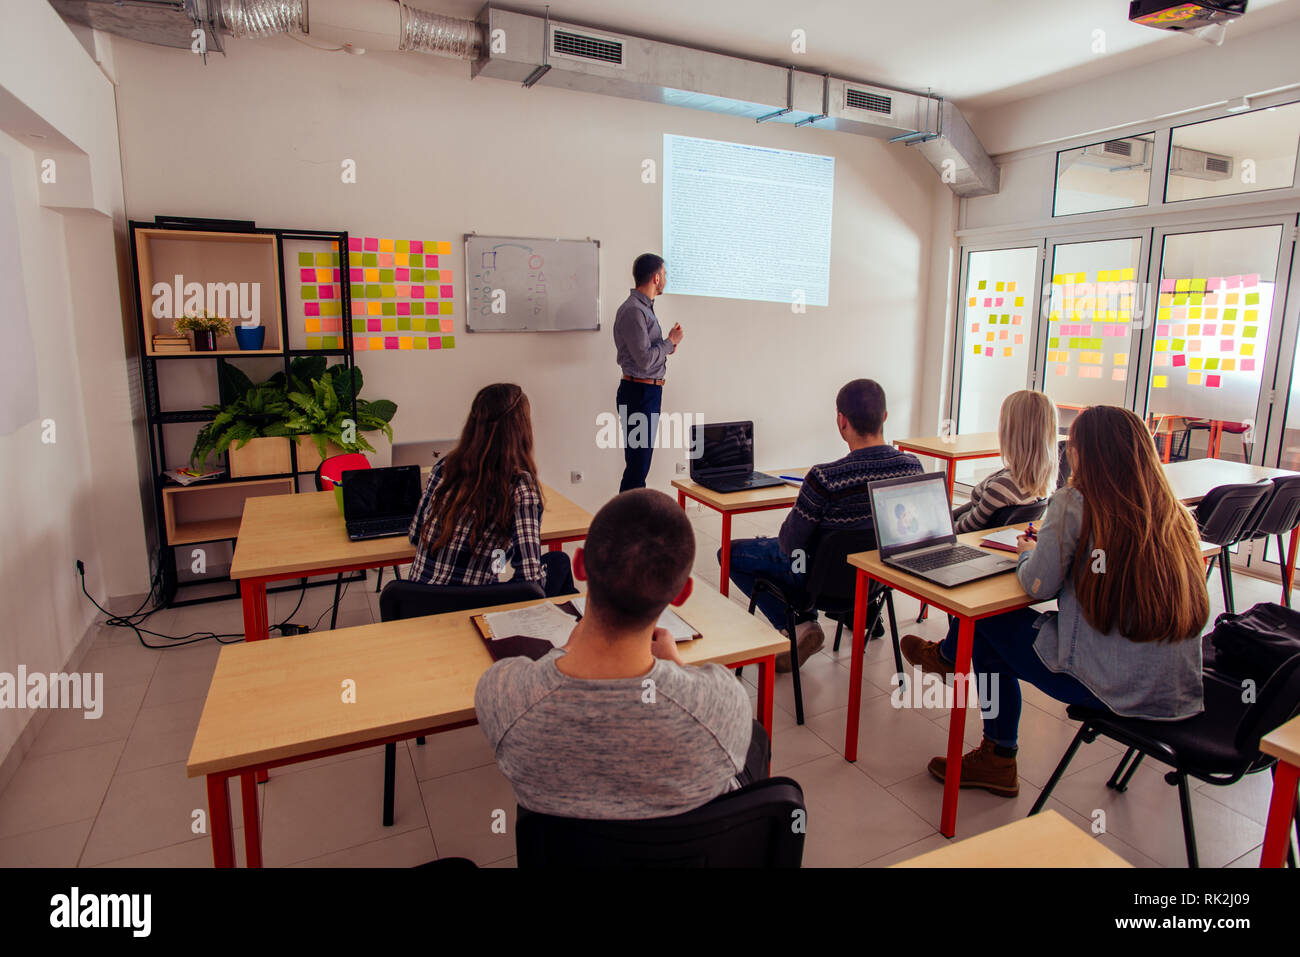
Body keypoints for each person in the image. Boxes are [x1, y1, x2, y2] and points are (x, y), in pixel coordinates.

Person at [902, 406, 1209, 796]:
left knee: (980, 624)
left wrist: (1029, 549)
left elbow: (1037, 585)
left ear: (1085, 453)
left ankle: (996, 747)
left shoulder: (1076, 502)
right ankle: (958, 678)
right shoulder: (1172, 511)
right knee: (986, 629)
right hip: (1172, 689)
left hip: (1106, 685)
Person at [475, 489, 768, 819]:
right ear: (682, 592)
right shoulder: (725, 703)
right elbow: (700, 708)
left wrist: (565, 649)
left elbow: (537, 682)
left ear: (580, 566)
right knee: (757, 740)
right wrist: (673, 662)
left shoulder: (502, 694)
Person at [722, 379, 923, 671]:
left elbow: (790, 545)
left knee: (729, 553)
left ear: (841, 421)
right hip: (875, 581)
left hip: (818, 583)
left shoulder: (825, 478)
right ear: (885, 417)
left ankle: (802, 625)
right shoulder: (912, 467)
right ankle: (862, 615)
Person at [408, 383, 573, 596]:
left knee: (553, 560)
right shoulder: (519, 486)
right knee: (558, 563)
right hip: (470, 608)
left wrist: (493, 557)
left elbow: (415, 535)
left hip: (416, 600)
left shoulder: (445, 466)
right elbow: (531, 580)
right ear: (521, 430)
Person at [613, 254, 682, 492]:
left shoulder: (644, 309)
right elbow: (643, 360)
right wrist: (669, 342)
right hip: (639, 392)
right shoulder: (634, 311)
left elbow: (647, 354)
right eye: (664, 274)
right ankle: (627, 524)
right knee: (637, 468)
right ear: (656, 277)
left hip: (646, 391)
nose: (666, 279)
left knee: (639, 465)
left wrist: (668, 345)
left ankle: (629, 523)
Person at [950, 390, 1058, 534]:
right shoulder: (1040, 484)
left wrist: (935, 531)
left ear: (1011, 430)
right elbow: (973, 507)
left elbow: (965, 529)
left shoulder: (1002, 487)